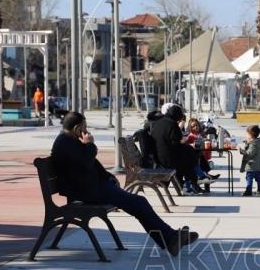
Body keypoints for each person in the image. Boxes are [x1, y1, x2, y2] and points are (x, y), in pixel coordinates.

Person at [51, 112, 198, 256]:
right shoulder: (65, 144)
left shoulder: (68, 141)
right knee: (139, 203)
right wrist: (90, 145)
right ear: (77, 129)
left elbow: (89, 165)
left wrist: (108, 177)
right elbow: (85, 163)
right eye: (84, 127)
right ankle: (170, 238)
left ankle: (170, 238)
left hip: (93, 188)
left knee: (139, 203)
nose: (86, 131)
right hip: (87, 192)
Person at [149, 103, 204, 194]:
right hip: (168, 159)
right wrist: (185, 142)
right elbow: (177, 143)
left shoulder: (158, 122)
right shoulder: (172, 125)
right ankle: (195, 181)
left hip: (160, 156)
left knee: (189, 153)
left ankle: (192, 182)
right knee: (190, 157)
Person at [239, 125, 260, 196]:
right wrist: (247, 143)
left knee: (249, 178)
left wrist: (241, 150)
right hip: (258, 165)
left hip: (252, 165)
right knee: (258, 178)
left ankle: (248, 191)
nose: (246, 136)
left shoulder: (253, 144)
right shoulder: (258, 142)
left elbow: (249, 153)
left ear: (252, 134)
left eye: (247, 134)